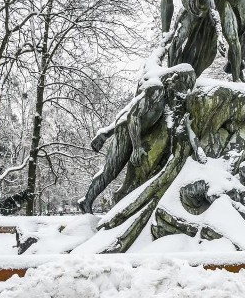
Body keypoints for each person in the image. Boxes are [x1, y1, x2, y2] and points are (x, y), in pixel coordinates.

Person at [78, 65, 196, 214]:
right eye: (183, 86)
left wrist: (105, 133)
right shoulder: (156, 90)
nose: (182, 92)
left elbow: (132, 106)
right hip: (127, 133)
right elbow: (132, 116)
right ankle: (86, 201)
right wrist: (136, 146)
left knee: (111, 171)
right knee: (111, 171)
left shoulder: (163, 95)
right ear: (174, 79)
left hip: (133, 132)